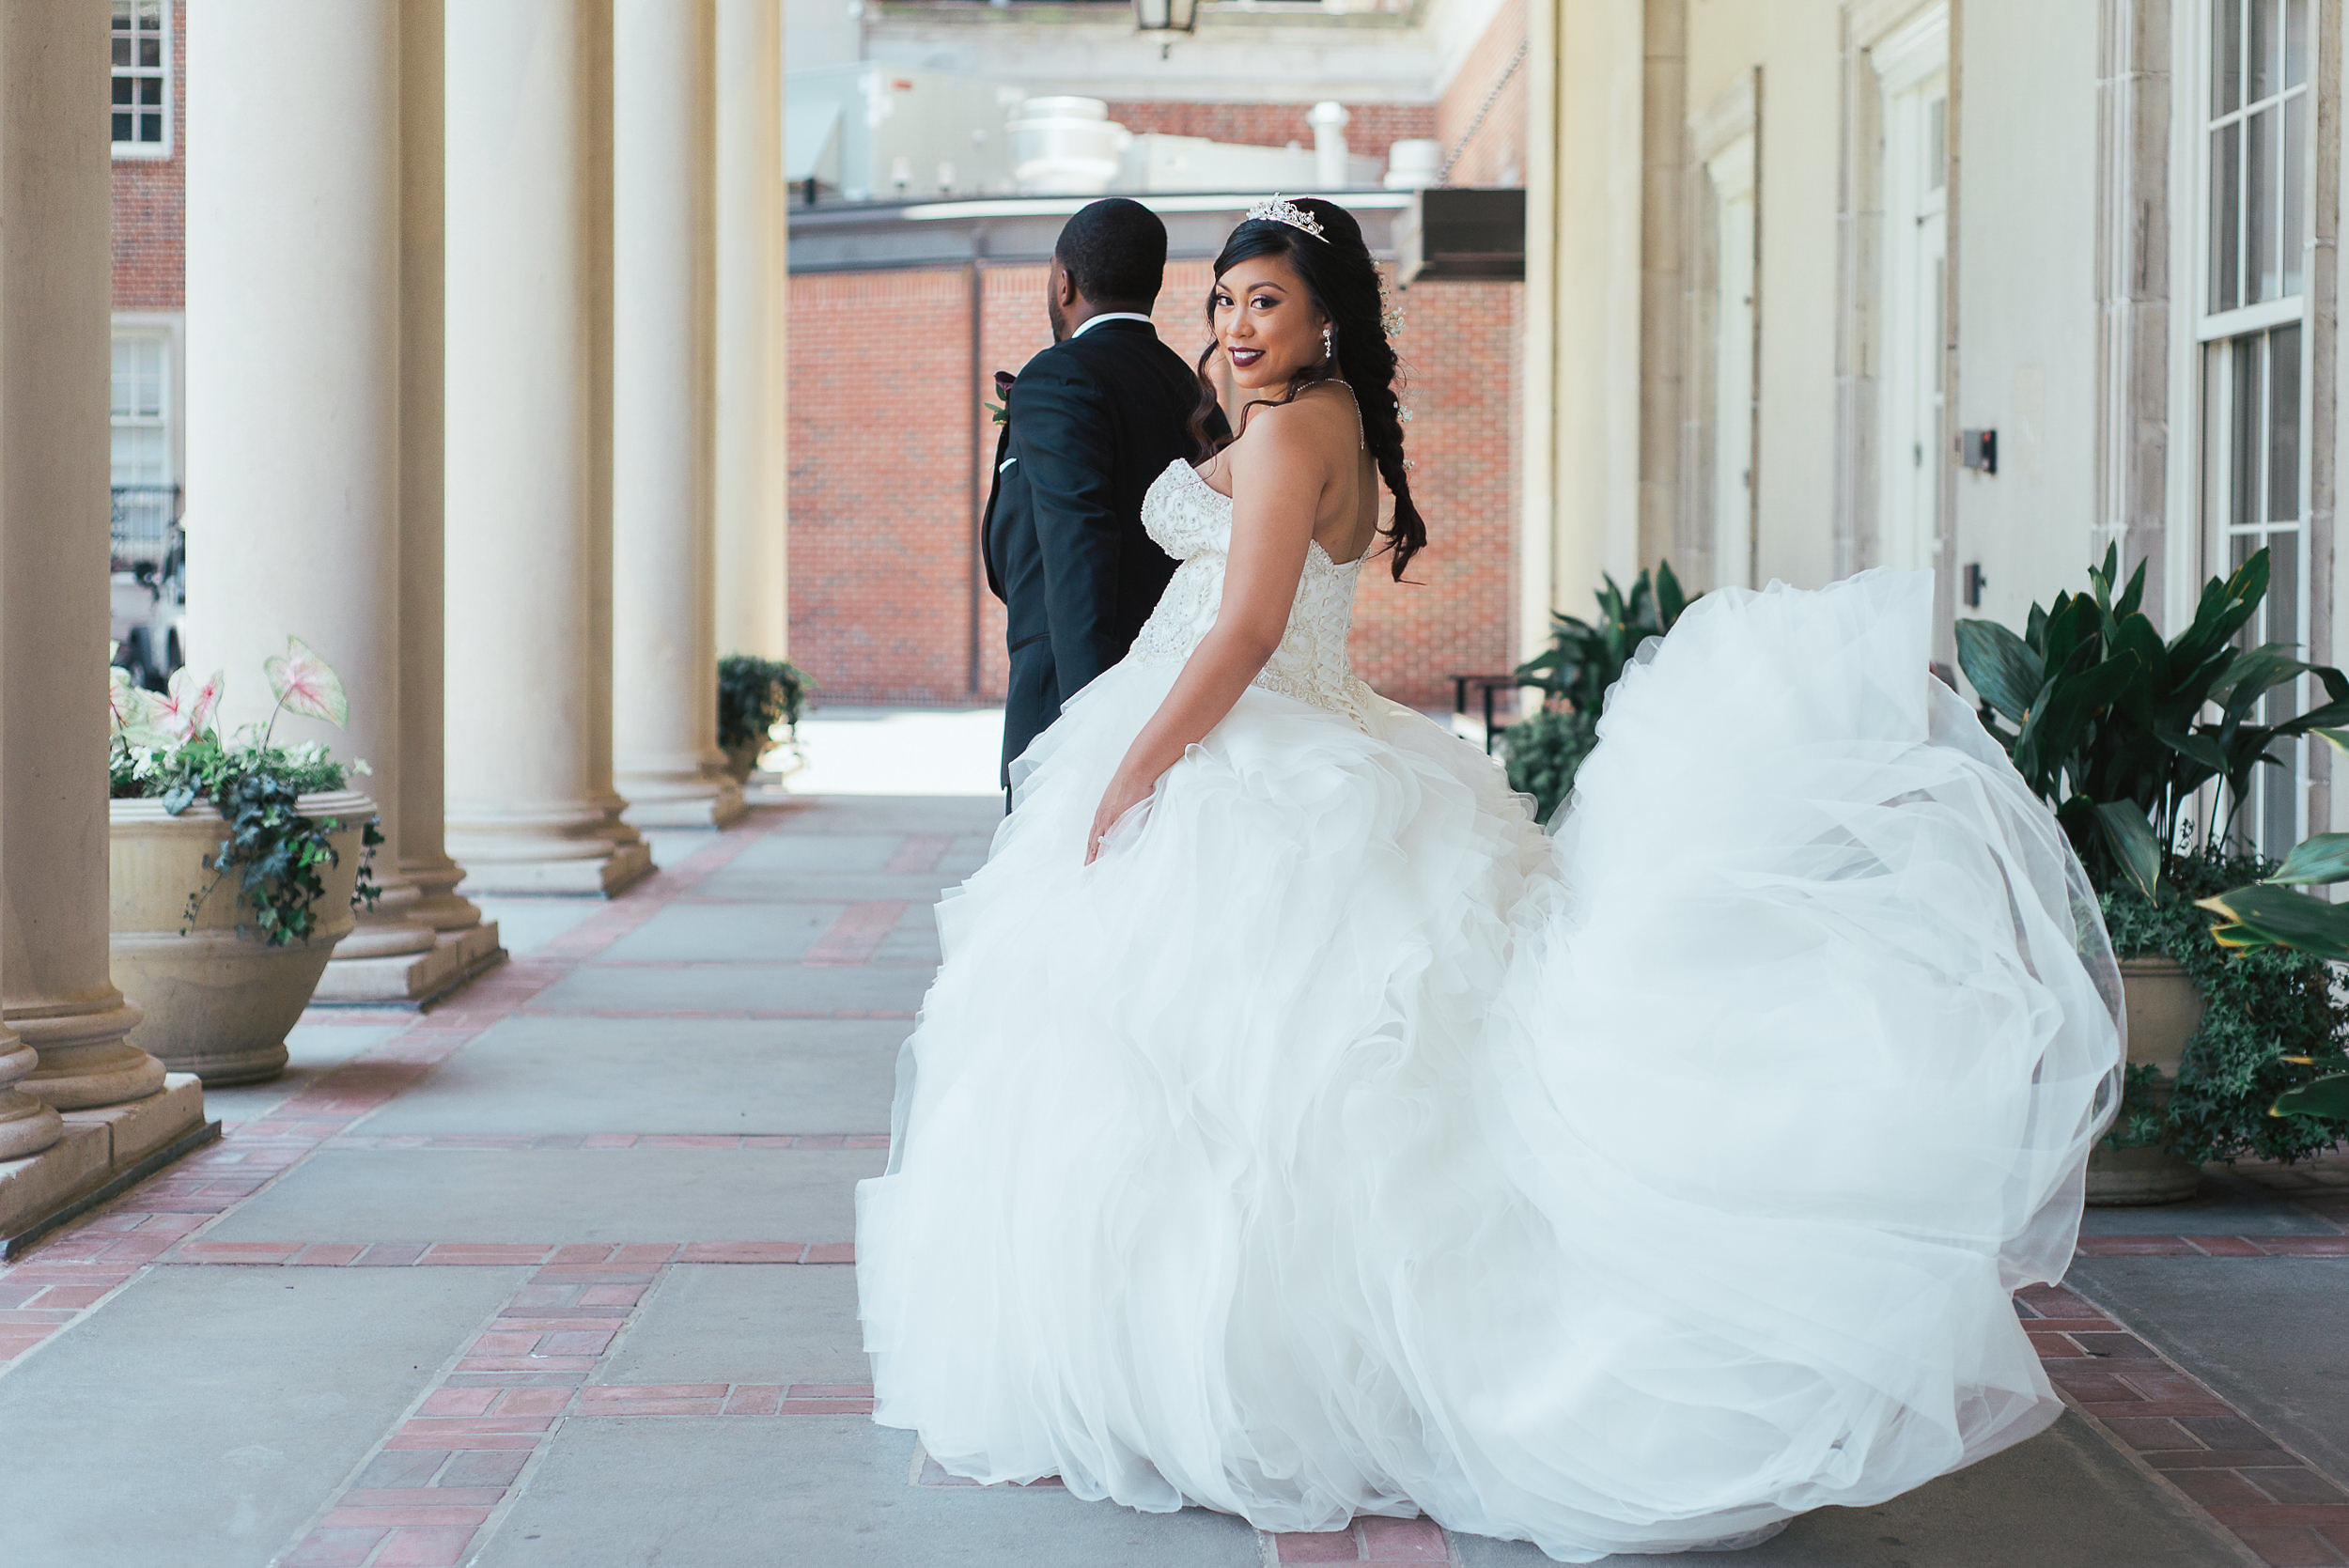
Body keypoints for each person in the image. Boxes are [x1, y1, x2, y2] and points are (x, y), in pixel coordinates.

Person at [856, 196, 2123, 1562]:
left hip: (1243, 747)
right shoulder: (1298, 418)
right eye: (1222, 301)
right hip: (1289, 737)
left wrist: (1132, 772)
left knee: (1247, 1088)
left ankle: (1263, 1369)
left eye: (1263, 301)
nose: (1233, 324)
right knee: (1218, 1085)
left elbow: (1249, 631)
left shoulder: (1290, 430)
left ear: (1325, 314)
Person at [983, 196, 1230, 800]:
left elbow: (1078, 543)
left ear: (1063, 281)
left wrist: (1090, 727)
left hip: (1069, 687)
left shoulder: (1058, 376)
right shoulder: (1193, 392)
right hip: (1177, 690)